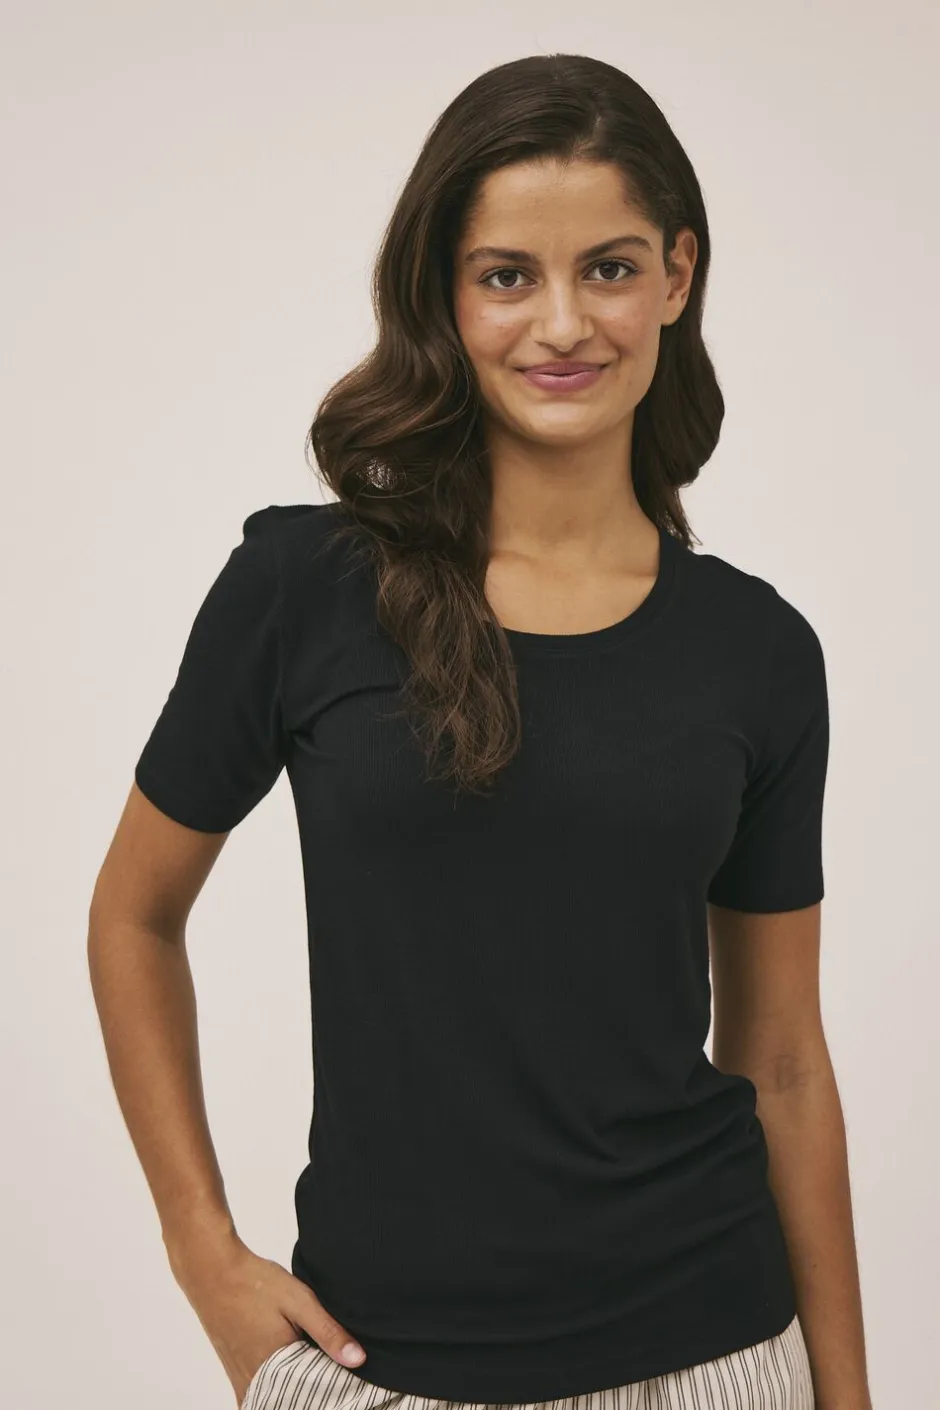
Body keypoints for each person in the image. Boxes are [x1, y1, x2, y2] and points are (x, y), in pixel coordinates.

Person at [88, 53, 872, 1410]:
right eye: (507, 275)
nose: (563, 323)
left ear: (678, 275)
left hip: (714, 1355)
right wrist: (201, 1252)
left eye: (610, 268)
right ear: (445, 295)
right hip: (377, 1362)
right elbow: (132, 917)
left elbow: (784, 1059)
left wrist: (848, 1399)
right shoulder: (303, 588)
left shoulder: (757, 652)